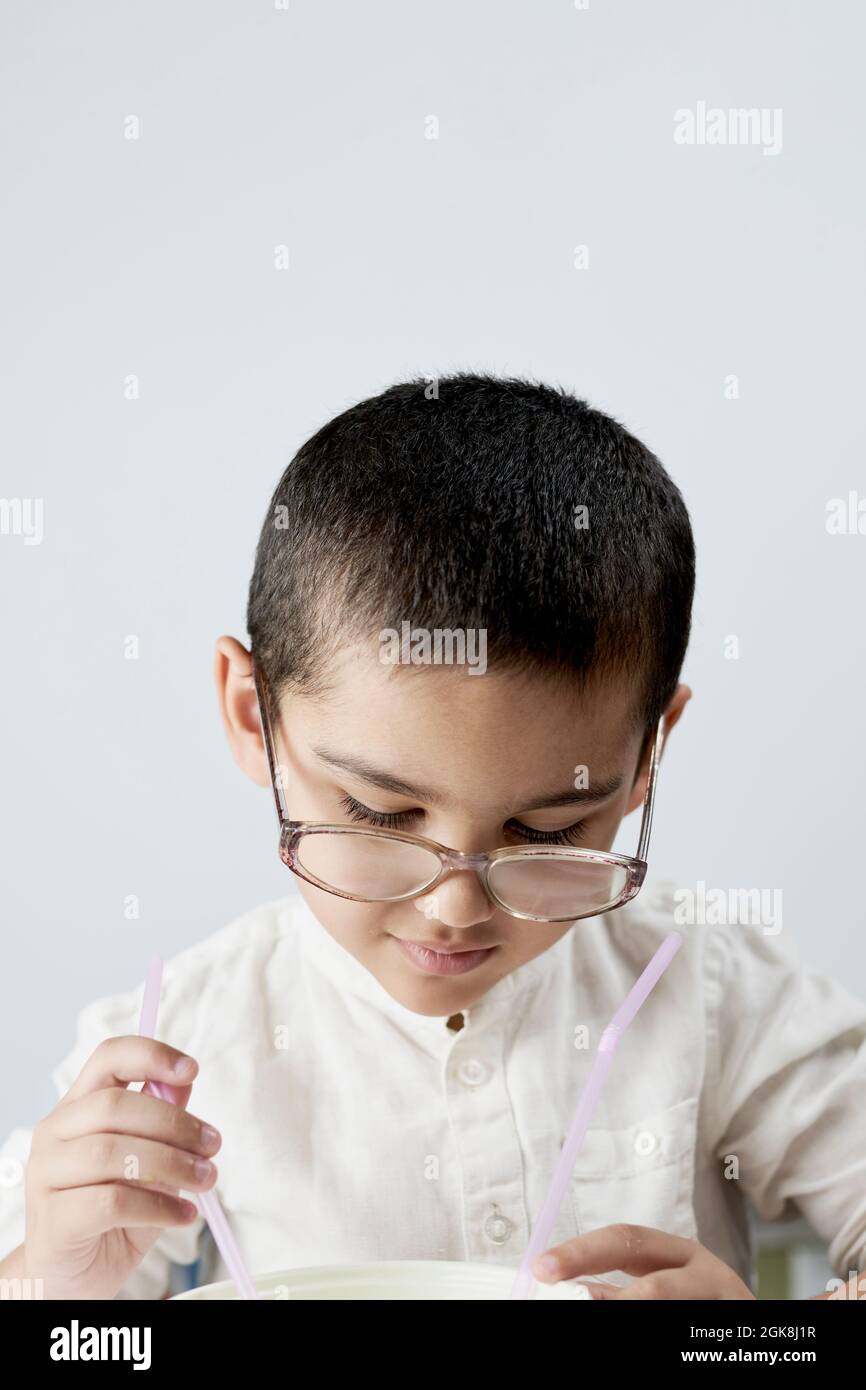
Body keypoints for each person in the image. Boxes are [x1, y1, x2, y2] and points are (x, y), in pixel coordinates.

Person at [2, 374, 864, 1300]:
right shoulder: (172, 1043)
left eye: (550, 830)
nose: (456, 907)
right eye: (379, 814)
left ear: (650, 753)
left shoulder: (714, 992)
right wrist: (52, 1284)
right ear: (255, 718)